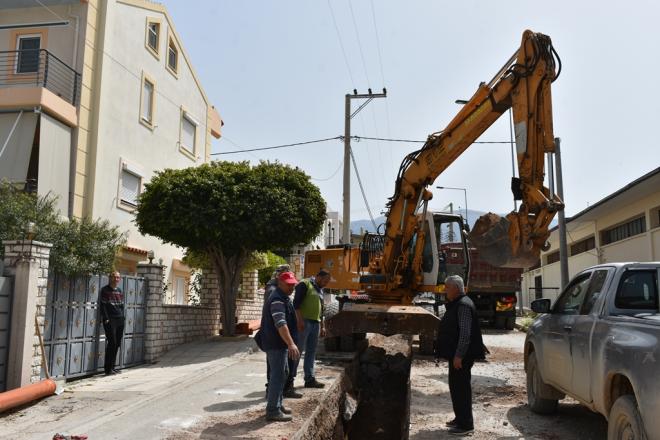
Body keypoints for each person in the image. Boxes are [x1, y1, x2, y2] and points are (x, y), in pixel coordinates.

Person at [435, 275, 485, 436]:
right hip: (456, 356)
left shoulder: (463, 305)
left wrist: (459, 355)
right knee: (455, 387)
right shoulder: (456, 304)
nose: (445, 290)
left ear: (456, 288)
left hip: (461, 357)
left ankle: (466, 425)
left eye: (447, 287)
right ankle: (460, 418)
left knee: (461, 389)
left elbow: (465, 333)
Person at [260, 271, 301, 422]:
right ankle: (272, 410)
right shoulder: (277, 299)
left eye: (293, 284)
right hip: (276, 344)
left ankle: (277, 404)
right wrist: (291, 343)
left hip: (278, 343)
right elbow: (280, 323)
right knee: (278, 375)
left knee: (283, 373)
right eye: (289, 284)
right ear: (280, 283)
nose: (292, 287)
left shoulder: (283, 297)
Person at [292, 269, 331, 389]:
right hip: (304, 323)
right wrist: (299, 320)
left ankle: (309, 379)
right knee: (297, 351)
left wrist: (323, 326)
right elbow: (296, 304)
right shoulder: (305, 284)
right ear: (318, 276)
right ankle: (289, 380)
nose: (326, 283)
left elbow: (322, 309)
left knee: (311, 352)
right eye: (325, 280)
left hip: (316, 323)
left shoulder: (320, 289)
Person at [100, 271, 125, 376]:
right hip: (110, 320)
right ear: (110, 278)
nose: (116, 279)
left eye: (118, 277)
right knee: (112, 343)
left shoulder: (119, 290)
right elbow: (103, 305)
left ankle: (113, 367)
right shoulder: (105, 290)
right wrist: (105, 318)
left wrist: (123, 317)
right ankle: (107, 369)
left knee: (117, 343)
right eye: (114, 277)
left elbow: (121, 306)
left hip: (120, 319)